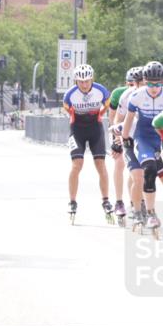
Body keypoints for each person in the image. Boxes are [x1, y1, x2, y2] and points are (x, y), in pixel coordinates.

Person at [121, 61, 163, 234]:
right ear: (144, 81)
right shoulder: (136, 95)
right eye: (150, 83)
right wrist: (125, 138)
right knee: (146, 171)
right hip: (142, 137)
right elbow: (128, 119)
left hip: (160, 137)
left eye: (157, 83)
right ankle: (142, 212)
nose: (153, 87)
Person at [62, 64, 111, 222]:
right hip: (77, 130)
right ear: (76, 81)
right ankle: (72, 201)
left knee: (100, 165)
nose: (84, 85)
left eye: (87, 81)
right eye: (81, 82)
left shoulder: (101, 90)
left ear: (92, 79)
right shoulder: (70, 94)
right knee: (77, 165)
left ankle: (105, 200)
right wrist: (78, 116)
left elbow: (108, 103)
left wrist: (99, 115)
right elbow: (67, 109)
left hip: (95, 128)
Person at [107, 67, 143, 221]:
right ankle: (119, 201)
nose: (133, 87)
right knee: (120, 162)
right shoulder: (118, 94)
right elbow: (114, 118)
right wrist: (117, 140)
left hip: (137, 131)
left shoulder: (147, 94)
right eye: (130, 84)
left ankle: (135, 199)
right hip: (119, 129)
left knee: (137, 168)